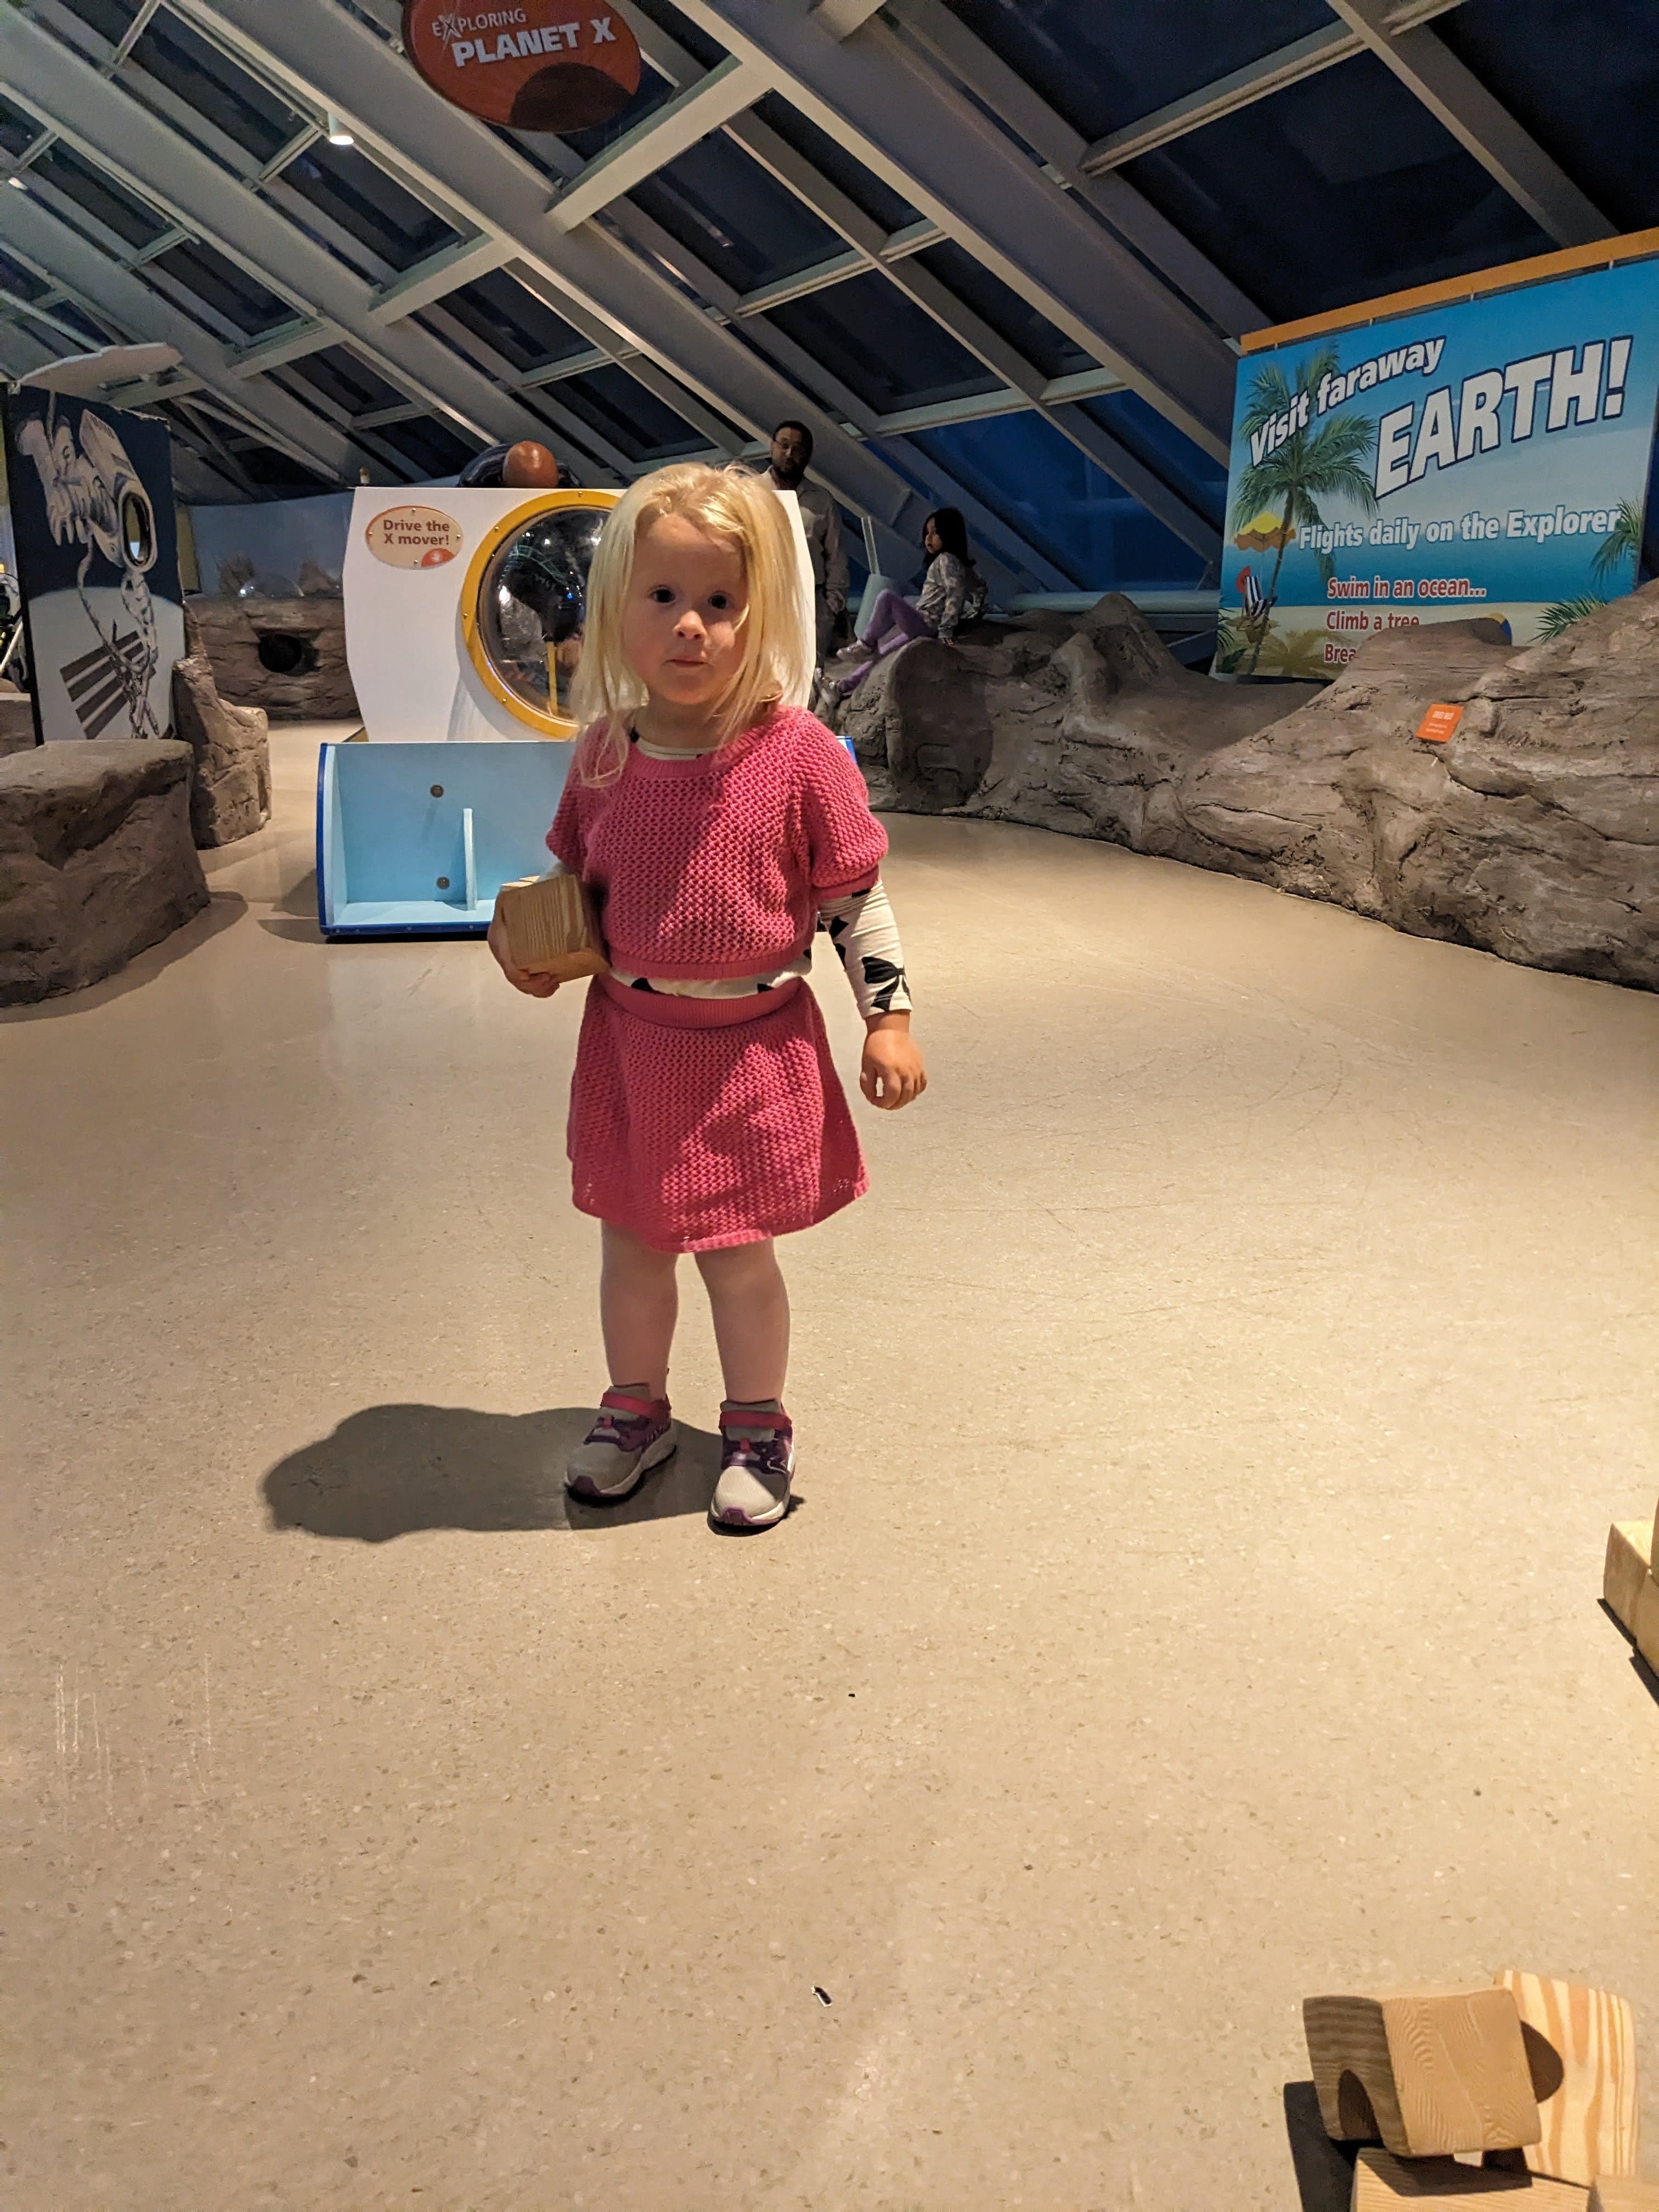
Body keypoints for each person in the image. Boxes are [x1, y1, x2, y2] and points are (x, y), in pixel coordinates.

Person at [487, 462, 927, 1533]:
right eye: (664, 599)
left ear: (760, 612)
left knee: (737, 1256)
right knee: (633, 1246)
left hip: (751, 1052)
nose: (692, 627)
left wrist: (891, 1016)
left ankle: (758, 1426)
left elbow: (854, 903)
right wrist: (539, 952)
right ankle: (633, 1409)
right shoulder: (603, 754)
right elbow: (582, 893)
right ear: (618, 611)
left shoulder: (801, 757)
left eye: (720, 603)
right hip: (633, 1045)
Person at [836, 507, 987, 696]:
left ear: (950, 534)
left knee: (887, 597)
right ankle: (842, 687)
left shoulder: (947, 560)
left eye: (935, 532)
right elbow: (980, 587)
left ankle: (866, 644)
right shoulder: (961, 564)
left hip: (926, 624)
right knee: (883, 655)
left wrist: (947, 628)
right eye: (927, 533)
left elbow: (955, 594)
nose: (928, 538)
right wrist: (977, 611)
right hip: (923, 624)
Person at [763, 420, 848, 667]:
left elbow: (836, 557)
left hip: (810, 605)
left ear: (808, 456)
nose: (790, 454)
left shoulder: (822, 500)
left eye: (798, 449)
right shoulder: (749, 492)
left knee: (806, 678)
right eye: (784, 445)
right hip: (761, 602)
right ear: (772, 447)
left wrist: (831, 607)